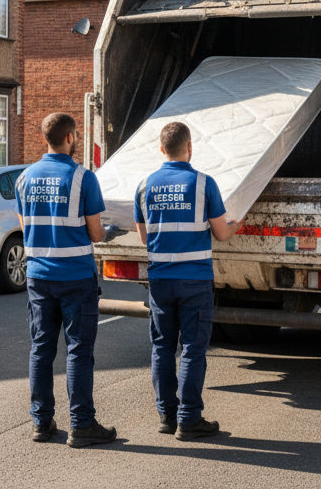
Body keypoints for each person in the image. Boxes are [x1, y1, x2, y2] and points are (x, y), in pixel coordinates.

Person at [15, 112, 114, 448]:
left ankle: (42, 423)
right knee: (78, 351)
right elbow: (96, 233)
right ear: (70, 137)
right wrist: (110, 233)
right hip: (75, 276)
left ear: (46, 139)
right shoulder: (83, 178)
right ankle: (82, 425)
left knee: (41, 349)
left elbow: (27, 226)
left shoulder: (24, 178)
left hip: (38, 276)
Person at [136, 122, 240, 440]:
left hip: (160, 280)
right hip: (194, 280)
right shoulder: (203, 183)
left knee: (162, 348)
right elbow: (221, 233)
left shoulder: (144, 185)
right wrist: (237, 223)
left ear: (161, 149)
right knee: (193, 349)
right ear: (189, 147)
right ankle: (189, 419)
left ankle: (167, 417)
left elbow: (144, 238)